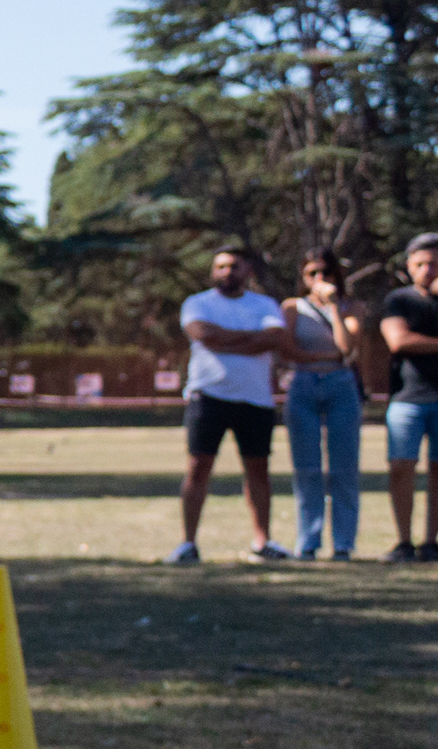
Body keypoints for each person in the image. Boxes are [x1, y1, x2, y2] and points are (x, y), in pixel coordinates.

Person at [173, 246, 290, 563]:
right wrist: (249, 339)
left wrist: (224, 339)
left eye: (234, 266)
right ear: (213, 271)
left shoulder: (264, 304)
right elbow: (201, 333)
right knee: (198, 468)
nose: (227, 272)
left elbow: (273, 338)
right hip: (208, 397)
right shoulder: (197, 303)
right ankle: (188, 544)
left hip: (255, 399)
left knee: (258, 470)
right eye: (221, 266)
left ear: (247, 270)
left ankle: (262, 541)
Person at [281, 249, 365, 561]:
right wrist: (322, 357)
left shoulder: (351, 307)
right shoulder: (292, 308)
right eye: (312, 274)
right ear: (303, 277)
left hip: (341, 385)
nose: (319, 279)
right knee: (307, 468)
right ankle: (308, 541)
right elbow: (288, 349)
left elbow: (346, 348)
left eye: (325, 273)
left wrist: (332, 308)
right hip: (303, 384)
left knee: (344, 467)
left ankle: (343, 543)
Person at [381, 234, 438, 562]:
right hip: (408, 397)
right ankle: (404, 541)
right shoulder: (399, 300)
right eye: (421, 264)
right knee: (402, 466)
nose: (428, 270)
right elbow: (398, 341)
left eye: (434, 264)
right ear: (408, 266)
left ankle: (431, 542)